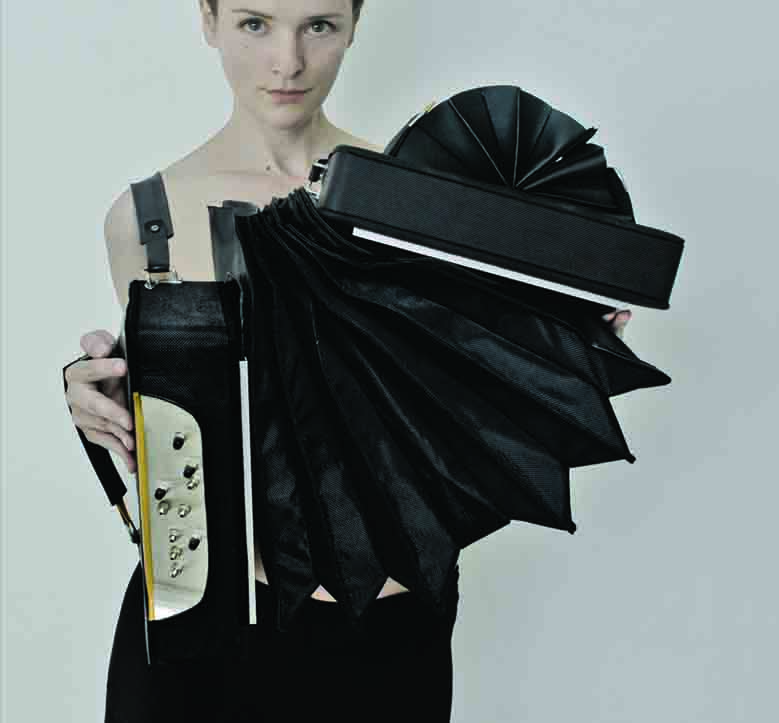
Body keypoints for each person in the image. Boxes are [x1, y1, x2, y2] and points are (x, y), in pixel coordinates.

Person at [64, 1, 633, 720]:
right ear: (207, 18)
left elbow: (464, 413)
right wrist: (97, 395)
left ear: (356, 22)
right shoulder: (145, 219)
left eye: (320, 24)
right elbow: (178, 438)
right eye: (254, 23)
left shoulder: (432, 202)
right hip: (204, 636)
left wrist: (562, 346)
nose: (288, 62)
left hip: (389, 639)